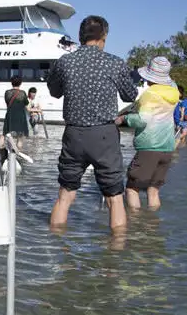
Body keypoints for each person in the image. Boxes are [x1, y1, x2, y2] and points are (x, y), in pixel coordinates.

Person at [46, 15, 138, 231]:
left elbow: (55, 91)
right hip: (104, 135)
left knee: (65, 195)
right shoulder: (114, 63)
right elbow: (130, 95)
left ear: (80, 37)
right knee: (114, 197)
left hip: (74, 135)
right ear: (103, 37)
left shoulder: (64, 62)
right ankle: (115, 254)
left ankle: (58, 246)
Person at [117, 57, 179, 210]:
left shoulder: (150, 95)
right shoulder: (174, 92)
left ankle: (136, 226)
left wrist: (123, 118)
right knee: (153, 190)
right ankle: (152, 225)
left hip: (149, 147)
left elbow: (142, 120)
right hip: (167, 147)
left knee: (132, 188)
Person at [0, 76, 29, 150]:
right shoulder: (23, 93)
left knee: (4, 134)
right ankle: (17, 152)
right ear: (20, 83)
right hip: (20, 117)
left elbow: (7, 102)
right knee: (20, 137)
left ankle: (1, 150)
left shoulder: (7, 92)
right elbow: (26, 104)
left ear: (11, 83)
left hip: (10, 116)